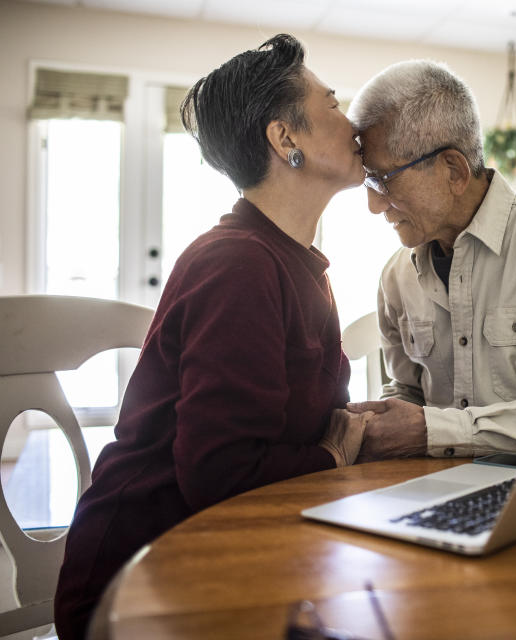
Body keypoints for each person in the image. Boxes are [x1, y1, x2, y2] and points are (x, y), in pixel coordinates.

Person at [54, 34, 369, 639]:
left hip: (236, 548)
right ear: (286, 139)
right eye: (333, 104)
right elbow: (220, 472)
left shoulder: (292, 261)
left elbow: (298, 422)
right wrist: (333, 454)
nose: (353, 123)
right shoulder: (238, 266)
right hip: (144, 580)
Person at [346, 60, 516, 461]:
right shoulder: (395, 277)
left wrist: (431, 431)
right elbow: (408, 394)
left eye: (383, 179)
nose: (372, 205)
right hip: (430, 492)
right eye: (368, 181)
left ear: (453, 169)